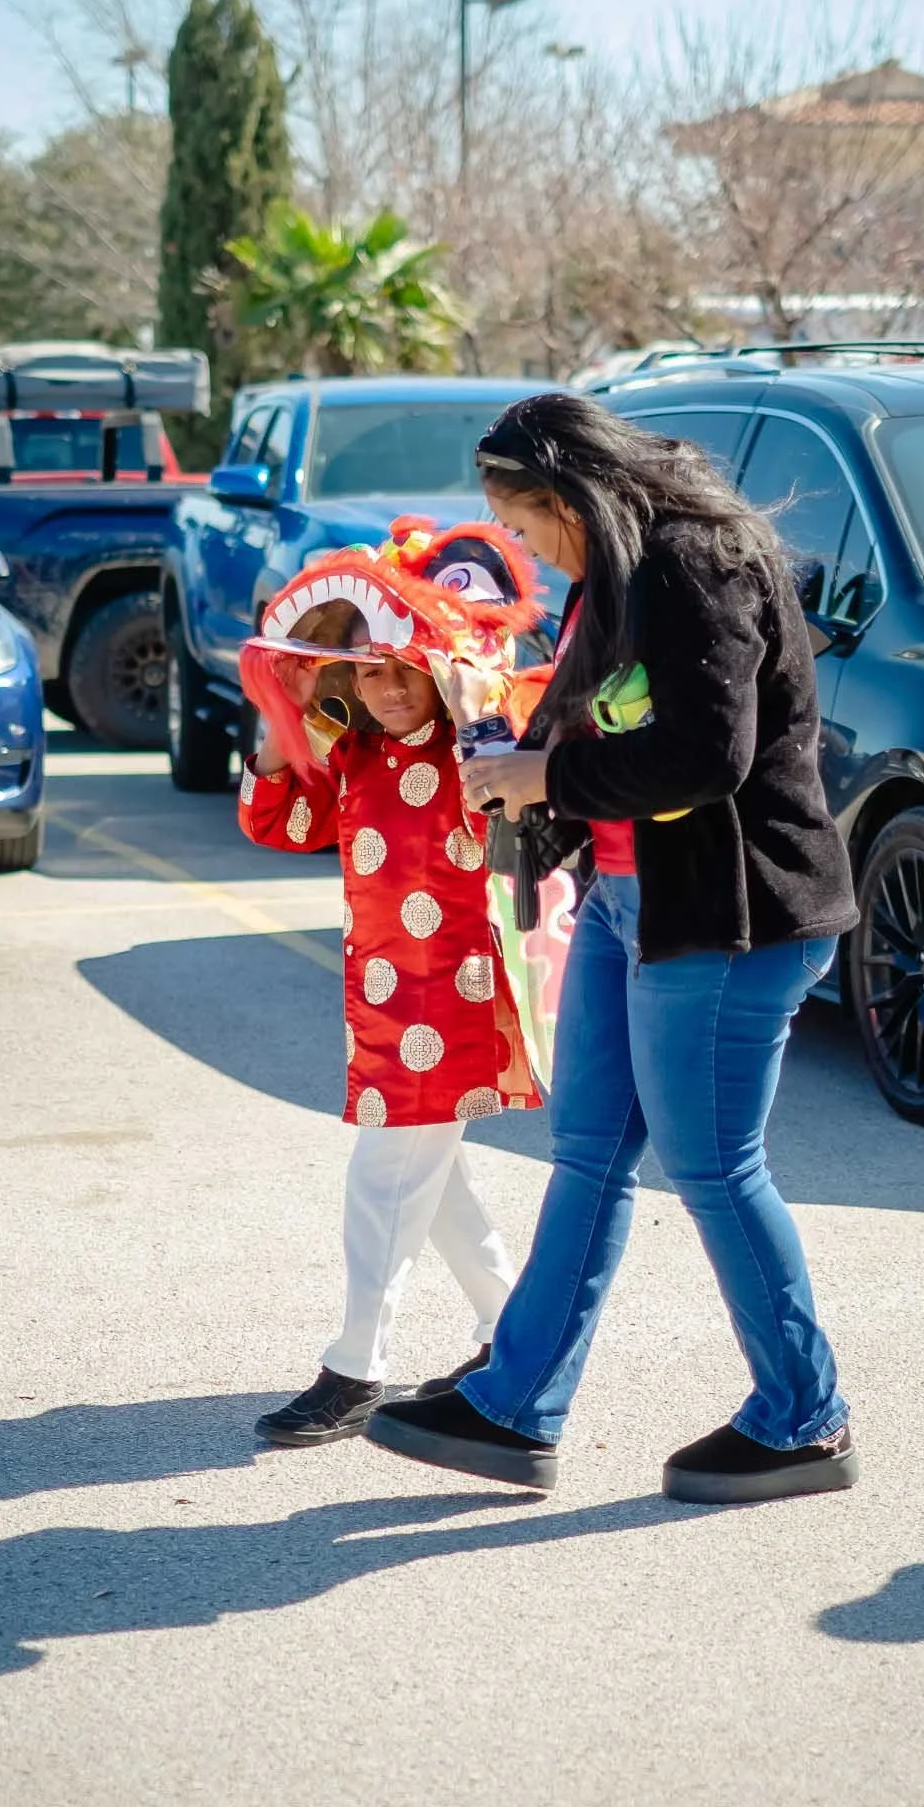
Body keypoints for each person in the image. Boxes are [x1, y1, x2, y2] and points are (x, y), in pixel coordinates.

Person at [366, 393, 861, 1504]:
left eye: (531, 529)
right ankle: (512, 1406)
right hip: (629, 903)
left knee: (715, 1169)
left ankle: (806, 1417)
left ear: (570, 498)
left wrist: (545, 777)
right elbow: (599, 718)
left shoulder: (699, 559)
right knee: (587, 1148)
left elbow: (706, 755)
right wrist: (510, 749)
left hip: (730, 919)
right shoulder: (622, 567)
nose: (532, 553)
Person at [239, 554, 541, 1448]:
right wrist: (280, 719)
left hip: (457, 992)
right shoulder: (355, 753)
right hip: (380, 997)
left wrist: (472, 698)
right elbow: (278, 823)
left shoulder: (477, 747)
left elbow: (514, 747)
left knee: (385, 1176)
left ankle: (355, 1365)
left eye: (402, 668)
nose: (385, 689)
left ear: (435, 667)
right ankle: (511, 1333)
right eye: (366, 670)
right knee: (428, 1177)